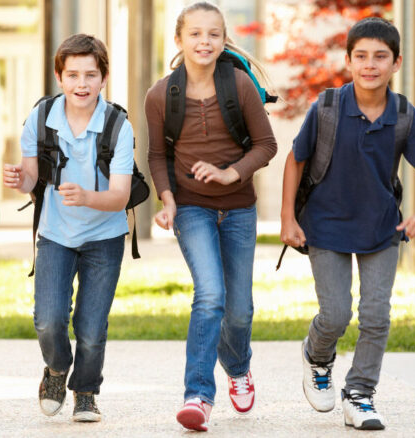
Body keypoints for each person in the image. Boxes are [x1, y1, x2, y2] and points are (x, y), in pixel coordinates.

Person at [280, 16, 415, 431]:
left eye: (380, 57)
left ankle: (360, 393)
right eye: (362, 56)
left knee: (376, 316)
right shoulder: (329, 107)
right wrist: (287, 218)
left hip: (381, 229)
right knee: (335, 314)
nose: (370, 65)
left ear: (396, 63)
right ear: (349, 61)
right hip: (326, 227)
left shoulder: (405, 115)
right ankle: (317, 356)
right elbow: (295, 160)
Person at [144, 2, 278, 431]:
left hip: (238, 208)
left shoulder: (239, 85)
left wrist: (230, 173)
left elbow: (266, 145)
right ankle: (198, 395)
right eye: (195, 34)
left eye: (213, 34)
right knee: (210, 295)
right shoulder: (161, 94)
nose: (204, 41)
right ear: (179, 40)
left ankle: (238, 368)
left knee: (238, 310)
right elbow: (157, 154)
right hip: (191, 207)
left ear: (224, 41)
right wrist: (167, 199)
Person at [2, 33, 133, 423]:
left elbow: (121, 196)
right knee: (48, 319)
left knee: (92, 328)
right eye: (72, 74)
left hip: (104, 238)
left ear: (104, 78)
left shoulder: (117, 126)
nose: (81, 84)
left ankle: (86, 391)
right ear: (59, 77)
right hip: (56, 234)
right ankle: (57, 370)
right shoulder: (41, 119)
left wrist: (86, 196)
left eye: (90, 75)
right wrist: (19, 180)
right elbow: (32, 178)